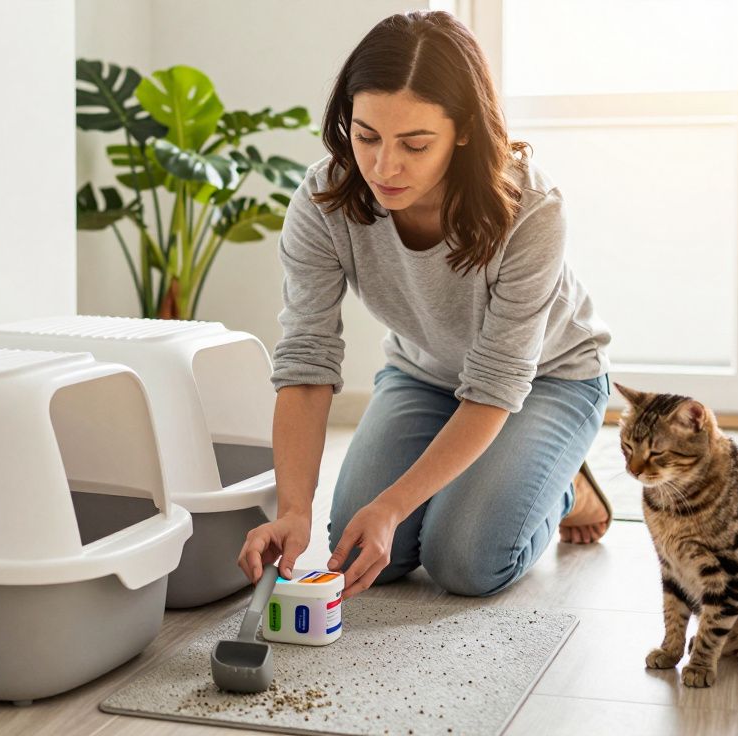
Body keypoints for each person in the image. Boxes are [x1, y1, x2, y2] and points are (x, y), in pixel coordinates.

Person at [235, 10, 613, 601]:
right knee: (366, 556)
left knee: (463, 560)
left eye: (415, 144)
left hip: (548, 379)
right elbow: (307, 360)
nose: (385, 166)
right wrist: (293, 512)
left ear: (463, 130)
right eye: (366, 136)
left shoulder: (532, 208)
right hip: (426, 374)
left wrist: (393, 503)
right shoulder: (322, 202)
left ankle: (561, 481)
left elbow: (495, 385)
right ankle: (483, 477)